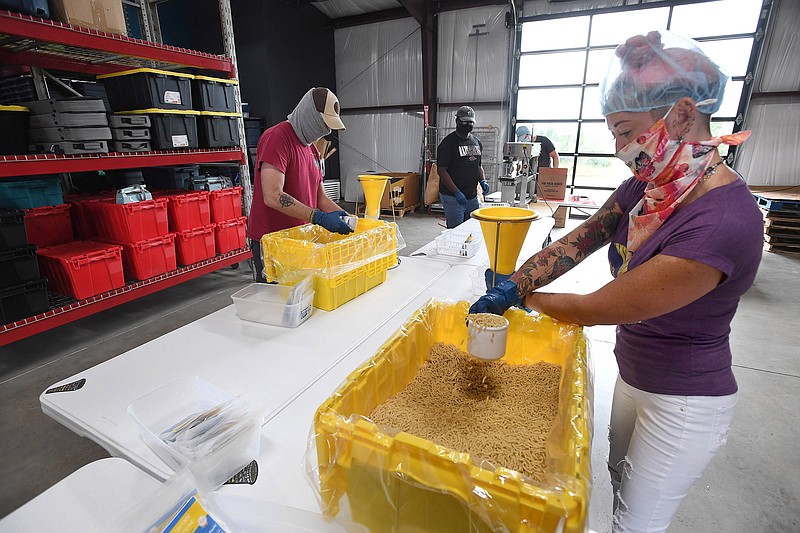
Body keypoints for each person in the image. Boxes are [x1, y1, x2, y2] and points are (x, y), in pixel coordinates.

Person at [471, 31, 763, 533]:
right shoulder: (649, 187)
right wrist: (513, 283)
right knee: (615, 480)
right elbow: (581, 239)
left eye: (626, 131)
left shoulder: (723, 220)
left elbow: (600, 308)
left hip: (684, 398)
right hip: (633, 373)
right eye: (613, 133)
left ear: (682, 115)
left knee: (634, 523)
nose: (620, 149)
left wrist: (525, 299)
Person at [246, 87, 353, 282]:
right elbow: (273, 195)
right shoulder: (277, 138)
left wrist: (350, 220)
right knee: (275, 303)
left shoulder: (311, 149)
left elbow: (320, 197)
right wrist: (317, 217)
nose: (326, 131)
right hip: (272, 244)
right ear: (310, 114)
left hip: (299, 240)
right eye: (323, 124)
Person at [437, 106, 490, 228]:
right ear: (457, 121)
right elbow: (441, 170)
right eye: (465, 122)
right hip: (453, 197)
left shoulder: (476, 142)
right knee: (456, 233)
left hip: (471, 196)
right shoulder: (448, 144)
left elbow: (478, 166)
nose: (468, 125)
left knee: (471, 230)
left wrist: (482, 181)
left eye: (471, 122)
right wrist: (456, 192)